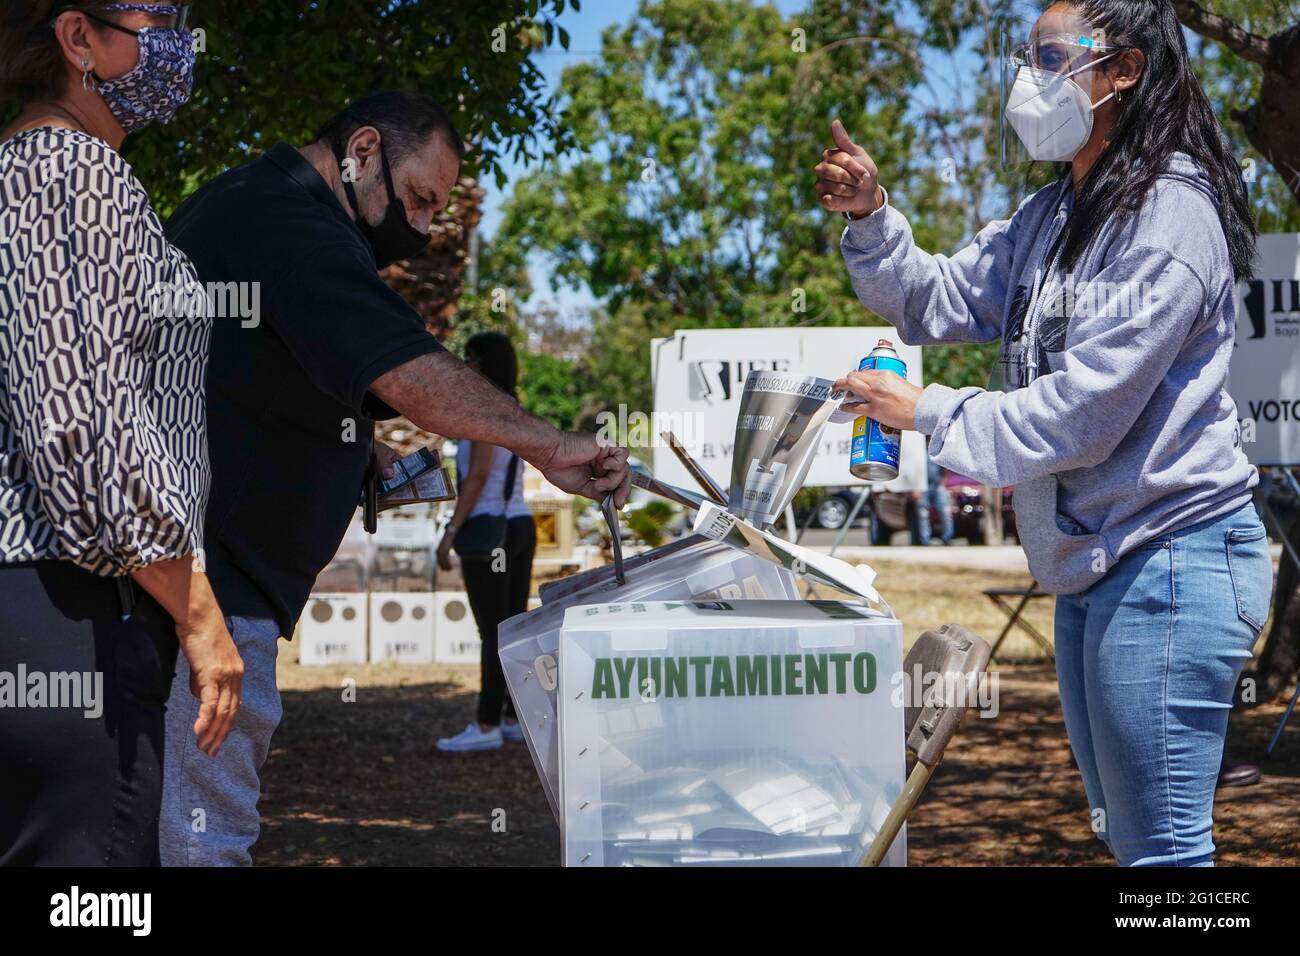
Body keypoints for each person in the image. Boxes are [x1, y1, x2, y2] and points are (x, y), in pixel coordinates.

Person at [817, 0, 1271, 866]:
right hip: (1096, 567)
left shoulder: (1171, 214)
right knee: (1134, 844)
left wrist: (927, 413)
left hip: (1171, 560)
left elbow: (1086, 413)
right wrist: (871, 217)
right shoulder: (1055, 213)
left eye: (1054, 56)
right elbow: (936, 299)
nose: (1030, 79)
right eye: (1028, 57)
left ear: (1125, 70)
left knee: (1166, 855)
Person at [159, 90, 630, 865]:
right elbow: (407, 371)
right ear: (364, 149)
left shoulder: (246, 206)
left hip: (215, 585)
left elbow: (257, 375)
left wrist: (354, 449)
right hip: (208, 595)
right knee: (199, 840)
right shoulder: (286, 221)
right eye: (415, 199)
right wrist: (548, 444)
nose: (418, 229)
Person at [0, 1, 243, 866]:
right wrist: (198, 610)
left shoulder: (48, 168)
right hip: (75, 598)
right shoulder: (69, 170)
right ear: (78, 40)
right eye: (158, 19)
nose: (180, 44)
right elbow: (77, 424)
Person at [434, 333, 535, 752]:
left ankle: (487, 723)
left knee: (490, 631)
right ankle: (513, 716)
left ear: (480, 365)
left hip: (488, 527)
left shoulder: (479, 414)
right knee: (511, 627)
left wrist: (450, 531)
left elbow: (475, 478)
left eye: (468, 358)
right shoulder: (514, 410)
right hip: (520, 524)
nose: (463, 365)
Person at [911, 458, 954, 545]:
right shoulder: (917, 450)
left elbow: (945, 466)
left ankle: (947, 539)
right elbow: (912, 469)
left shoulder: (935, 449)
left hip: (937, 485)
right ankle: (925, 541)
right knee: (923, 515)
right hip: (921, 486)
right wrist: (914, 488)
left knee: (946, 512)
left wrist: (944, 480)